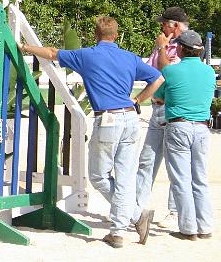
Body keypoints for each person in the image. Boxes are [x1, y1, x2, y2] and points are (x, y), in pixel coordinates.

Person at [20, 16, 164, 248]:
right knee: (125, 177)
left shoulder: (86, 55)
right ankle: (125, 224)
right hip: (130, 117)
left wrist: (25, 46)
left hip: (107, 119)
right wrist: (138, 99)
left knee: (98, 176)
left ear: (95, 35)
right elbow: (158, 78)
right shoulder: (129, 57)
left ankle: (133, 218)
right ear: (116, 36)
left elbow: (52, 52)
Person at [159, 30, 215, 240]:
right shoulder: (209, 71)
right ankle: (205, 226)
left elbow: (160, 90)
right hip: (201, 127)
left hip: (178, 126)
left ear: (181, 49)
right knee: (199, 178)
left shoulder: (173, 71)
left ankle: (188, 228)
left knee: (181, 179)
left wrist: (162, 47)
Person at [135, 6, 188, 228]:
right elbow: (149, 71)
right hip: (157, 107)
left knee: (175, 163)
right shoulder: (164, 45)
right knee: (147, 159)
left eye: (165, 23)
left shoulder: (186, 47)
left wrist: (161, 48)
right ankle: (136, 208)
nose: (161, 27)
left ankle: (174, 212)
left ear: (175, 25)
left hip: (173, 109)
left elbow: (168, 73)